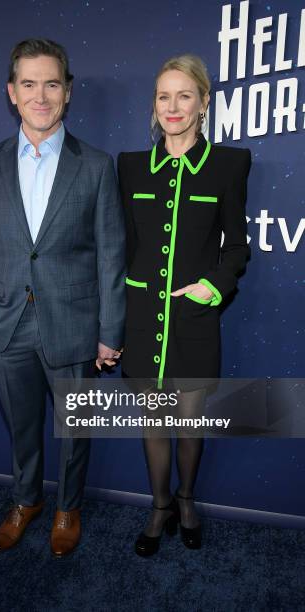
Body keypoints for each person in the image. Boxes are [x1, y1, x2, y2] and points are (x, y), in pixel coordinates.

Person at [0, 39, 125, 557]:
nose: (40, 95)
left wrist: (109, 332)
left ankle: (67, 508)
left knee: (75, 433)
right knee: (21, 428)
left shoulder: (97, 165)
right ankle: (25, 500)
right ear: (12, 93)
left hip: (74, 325)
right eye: (28, 84)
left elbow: (110, 255)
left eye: (51, 83)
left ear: (67, 92)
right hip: (5, 324)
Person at [117, 54, 251, 555]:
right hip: (141, 321)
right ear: (154, 105)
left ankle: (187, 499)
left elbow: (237, 246)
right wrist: (111, 326)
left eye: (184, 95)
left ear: (204, 102)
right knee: (154, 423)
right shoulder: (130, 166)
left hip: (195, 321)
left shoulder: (229, 164)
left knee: (189, 424)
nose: (173, 106)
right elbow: (121, 250)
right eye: (163, 96)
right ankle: (158, 505)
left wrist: (211, 287)